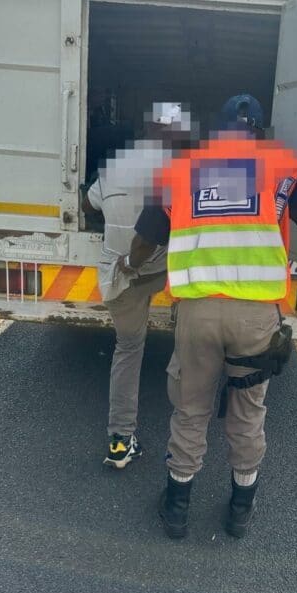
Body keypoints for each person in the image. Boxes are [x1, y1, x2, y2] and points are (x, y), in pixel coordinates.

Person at [122, 94, 297, 536]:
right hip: (255, 319)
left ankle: (176, 507)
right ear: (259, 133)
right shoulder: (280, 167)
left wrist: (131, 266)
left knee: (190, 409)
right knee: (248, 411)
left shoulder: (179, 171)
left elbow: (145, 239)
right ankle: (240, 510)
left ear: (216, 131)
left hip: (198, 314)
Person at [83, 102, 194, 469]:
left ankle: (120, 440)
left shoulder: (114, 165)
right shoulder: (180, 169)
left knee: (128, 349)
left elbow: (90, 204)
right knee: (188, 342)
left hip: (121, 274)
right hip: (165, 272)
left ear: (148, 128)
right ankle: (188, 439)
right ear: (174, 133)